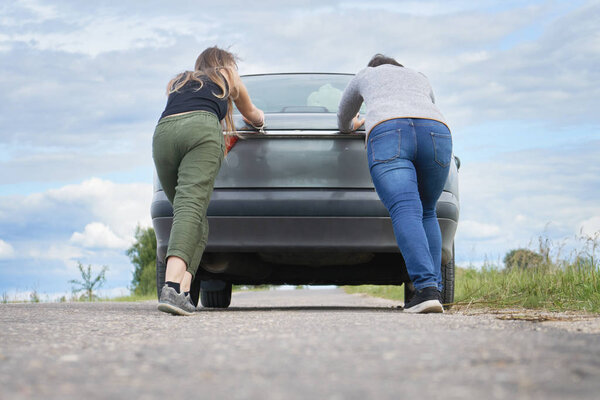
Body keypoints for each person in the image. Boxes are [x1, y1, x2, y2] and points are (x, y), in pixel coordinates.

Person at [153, 46, 264, 315]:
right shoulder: (227, 76)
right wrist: (261, 122)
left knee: (193, 219)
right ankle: (171, 286)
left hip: (163, 135)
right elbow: (253, 115)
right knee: (190, 209)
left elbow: (182, 112)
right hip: (201, 130)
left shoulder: (180, 80)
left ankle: (184, 291)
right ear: (225, 64)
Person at [337, 54, 452, 313]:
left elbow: (343, 116)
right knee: (428, 209)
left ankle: (425, 290)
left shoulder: (365, 75)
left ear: (374, 67)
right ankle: (435, 291)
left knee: (406, 207)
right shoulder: (419, 76)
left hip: (390, 130)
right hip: (437, 131)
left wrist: (352, 125)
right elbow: (425, 106)